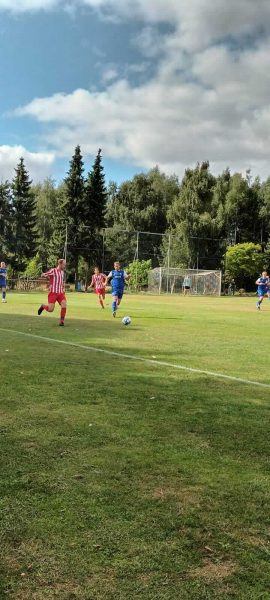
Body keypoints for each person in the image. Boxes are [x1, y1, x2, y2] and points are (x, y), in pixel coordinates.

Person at [38, 259, 67, 326]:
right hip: (53, 293)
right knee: (50, 309)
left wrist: (63, 288)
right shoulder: (53, 270)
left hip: (60, 293)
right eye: (64, 264)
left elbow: (61, 282)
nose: (65, 266)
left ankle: (61, 321)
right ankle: (43, 306)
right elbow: (47, 274)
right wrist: (43, 274)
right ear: (60, 264)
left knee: (64, 304)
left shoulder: (62, 273)